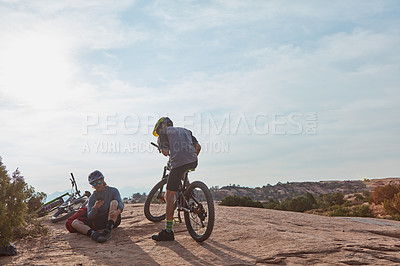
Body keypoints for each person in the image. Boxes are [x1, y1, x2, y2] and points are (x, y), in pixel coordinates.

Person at [151, 117, 201, 241]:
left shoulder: (163, 133)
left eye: (158, 130)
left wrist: (160, 145)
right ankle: (188, 196)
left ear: (162, 126)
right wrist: (190, 157)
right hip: (194, 160)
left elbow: (166, 152)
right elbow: (198, 147)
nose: (158, 132)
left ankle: (168, 231)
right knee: (183, 172)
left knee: (169, 195)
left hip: (178, 163)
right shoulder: (186, 131)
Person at [70, 170, 124, 243]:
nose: (98, 185)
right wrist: (95, 208)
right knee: (75, 223)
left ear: (103, 180)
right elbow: (90, 216)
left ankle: (108, 231)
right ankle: (93, 234)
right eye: (95, 184)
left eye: (99, 182)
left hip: (113, 218)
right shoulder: (92, 198)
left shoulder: (113, 191)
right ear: (92, 185)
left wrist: (117, 212)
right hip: (100, 221)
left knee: (114, 202)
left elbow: (120, 203)